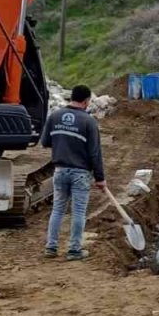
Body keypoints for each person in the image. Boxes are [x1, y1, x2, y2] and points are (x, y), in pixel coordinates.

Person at [41, 85, 106, 260]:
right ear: (86, 101)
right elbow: (95, 153)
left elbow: (45, 142)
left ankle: (51, 247)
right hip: (80, 173)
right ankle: (74, 250)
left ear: (71, 97)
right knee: (78, 212)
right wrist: (100, 178)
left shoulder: (55, 116)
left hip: (60, 171)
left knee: (57, 210)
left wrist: (63, 141)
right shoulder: (89, 122)